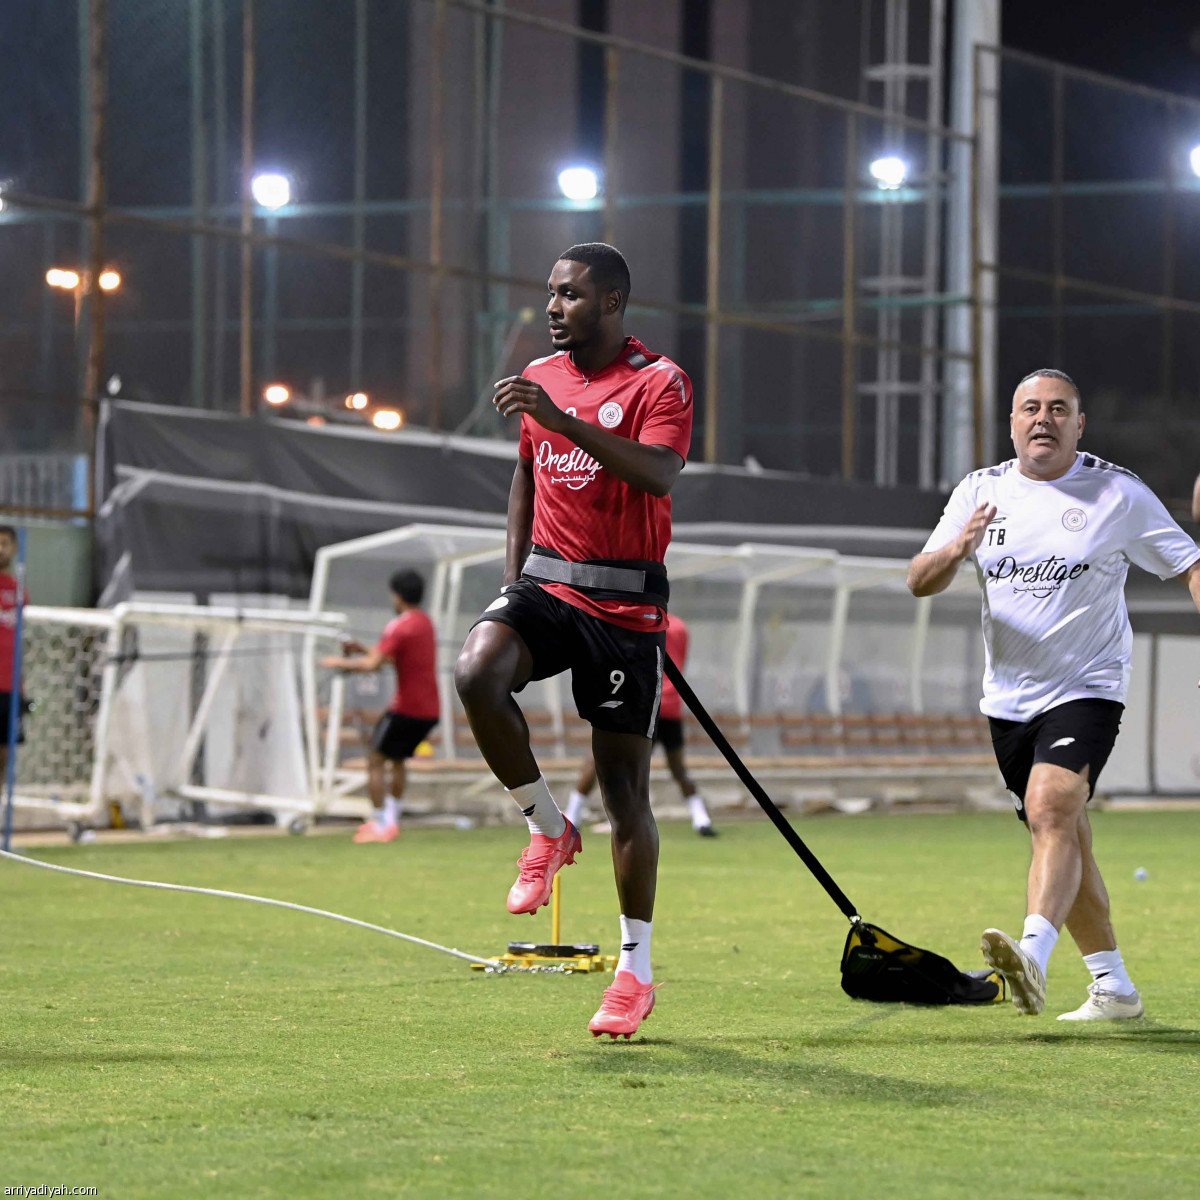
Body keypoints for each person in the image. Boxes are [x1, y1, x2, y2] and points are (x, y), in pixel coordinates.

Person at [907, 368, 1200, 1020]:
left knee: (1051, 806)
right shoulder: (979, 491)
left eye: (1058, 409)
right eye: (1031, 408)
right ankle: (1114, 987)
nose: (1044, 418)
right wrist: (957, 548)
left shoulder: (1116, 492)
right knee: (1066, 836)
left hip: (1089, 685)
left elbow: (1189, 563)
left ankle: (1030, 961)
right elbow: (919, 580)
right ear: (1012, 422)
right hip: (1008, 700)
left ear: (1078, 423)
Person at [454, 242, 692, 1039]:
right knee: (478, 670)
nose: (554, 307)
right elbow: (526, 472)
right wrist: (510, 576)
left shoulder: (660, 381)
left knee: (628, 799)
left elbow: (658, 474)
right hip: (548, 589)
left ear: (614, 302)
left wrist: (567, 424)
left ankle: (634, 971)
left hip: (624, 613)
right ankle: (547, 826)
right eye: (551, 292)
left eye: (571, 295)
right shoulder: (543, 377)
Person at [565, 612, 717, 837]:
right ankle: (701, 818)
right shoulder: (680, 627)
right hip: (672, 706)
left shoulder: (641, 621)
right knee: (677, 768)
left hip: (645, 703)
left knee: (606, 758)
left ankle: (575, 815)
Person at [321, 569, 439, 843]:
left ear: (397, 596)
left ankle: (379, 824)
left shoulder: (398, 625)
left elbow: (372, 665)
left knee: (375, 760)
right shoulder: (424, 623)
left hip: (406, 707)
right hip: (429, 709)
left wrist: (336, 662)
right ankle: (392, 822)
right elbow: (385, 658)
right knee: (397, 760)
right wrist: (361, 650)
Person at [0, 525, 29, 783]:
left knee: (4, 752)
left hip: (10, 685)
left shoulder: (20, 591)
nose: (0, 548)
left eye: (5, 543)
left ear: (14, 549)